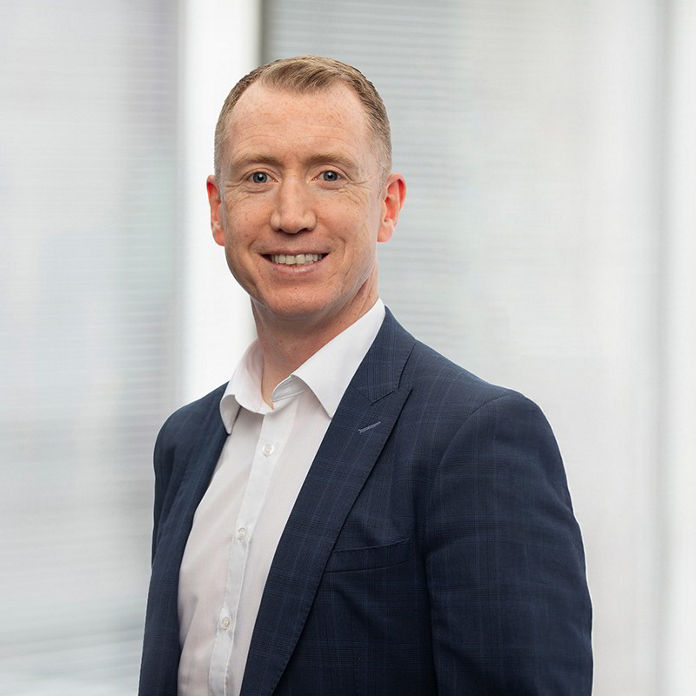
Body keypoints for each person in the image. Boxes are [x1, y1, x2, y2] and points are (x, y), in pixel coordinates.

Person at [138, 56, 592, 696]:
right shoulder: (185, 442)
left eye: (329, 175)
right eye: (259, 176)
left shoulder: (476, 439)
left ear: (387, 206)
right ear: (218, 209)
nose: (291, 215)